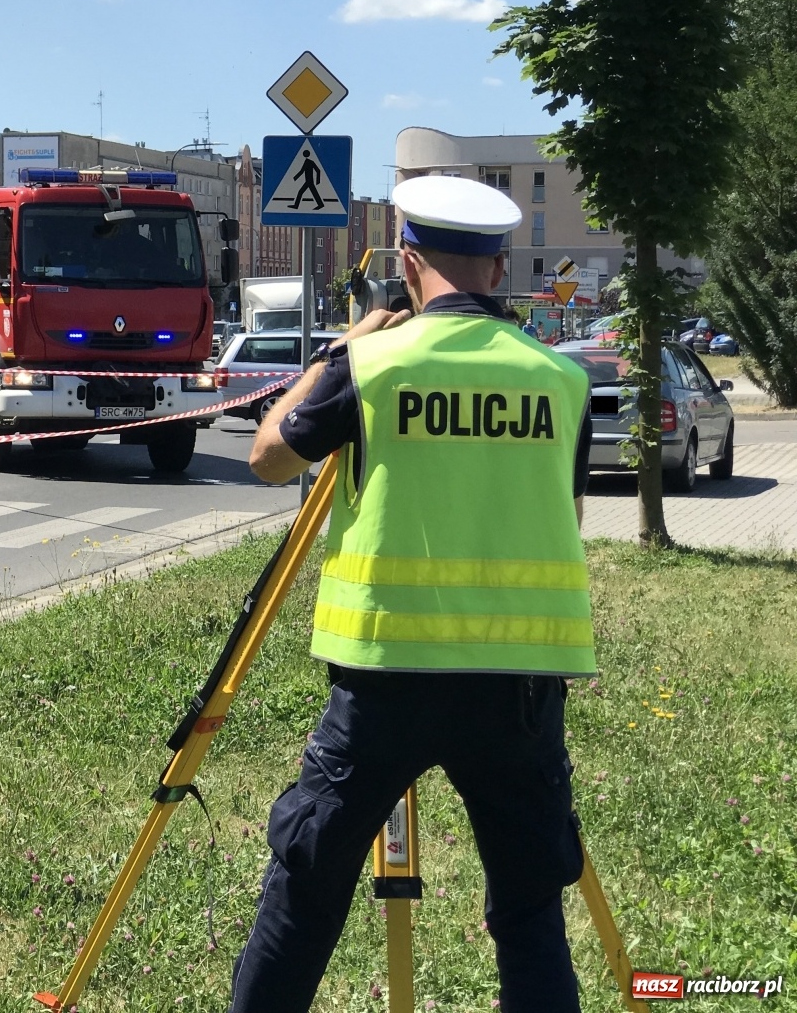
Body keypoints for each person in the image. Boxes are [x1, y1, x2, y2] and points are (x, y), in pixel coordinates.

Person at [229, 175, 595, 1013]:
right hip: (520, 686)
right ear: (499, 271)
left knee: (307, 891)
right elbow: (563, 514)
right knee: (531, 911)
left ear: (407, 262)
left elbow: (267, 459)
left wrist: (334, 354)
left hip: (384, 676)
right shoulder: (559, 378)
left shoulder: (372, 362)